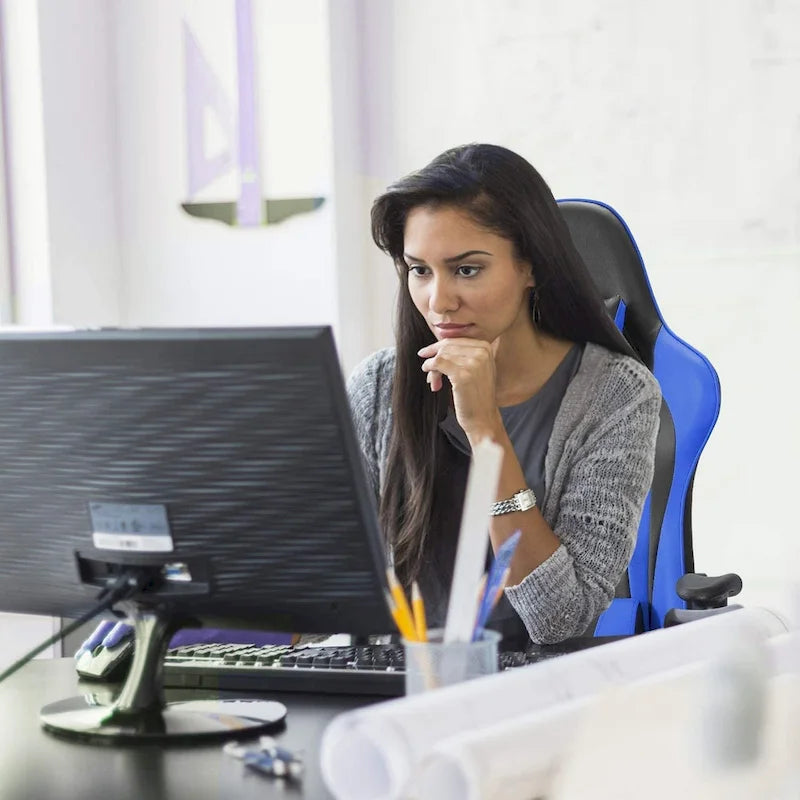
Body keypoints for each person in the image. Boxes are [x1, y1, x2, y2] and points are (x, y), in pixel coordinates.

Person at [347, 143, 661, 647]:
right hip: (404, 685)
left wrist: (486, 430)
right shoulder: (379, 385)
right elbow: (335, 586)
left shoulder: (616, 396)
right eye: (420, 270)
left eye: (467, 270)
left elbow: (559, 621)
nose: (438, 301)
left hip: (537, 685)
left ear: (531, 266)